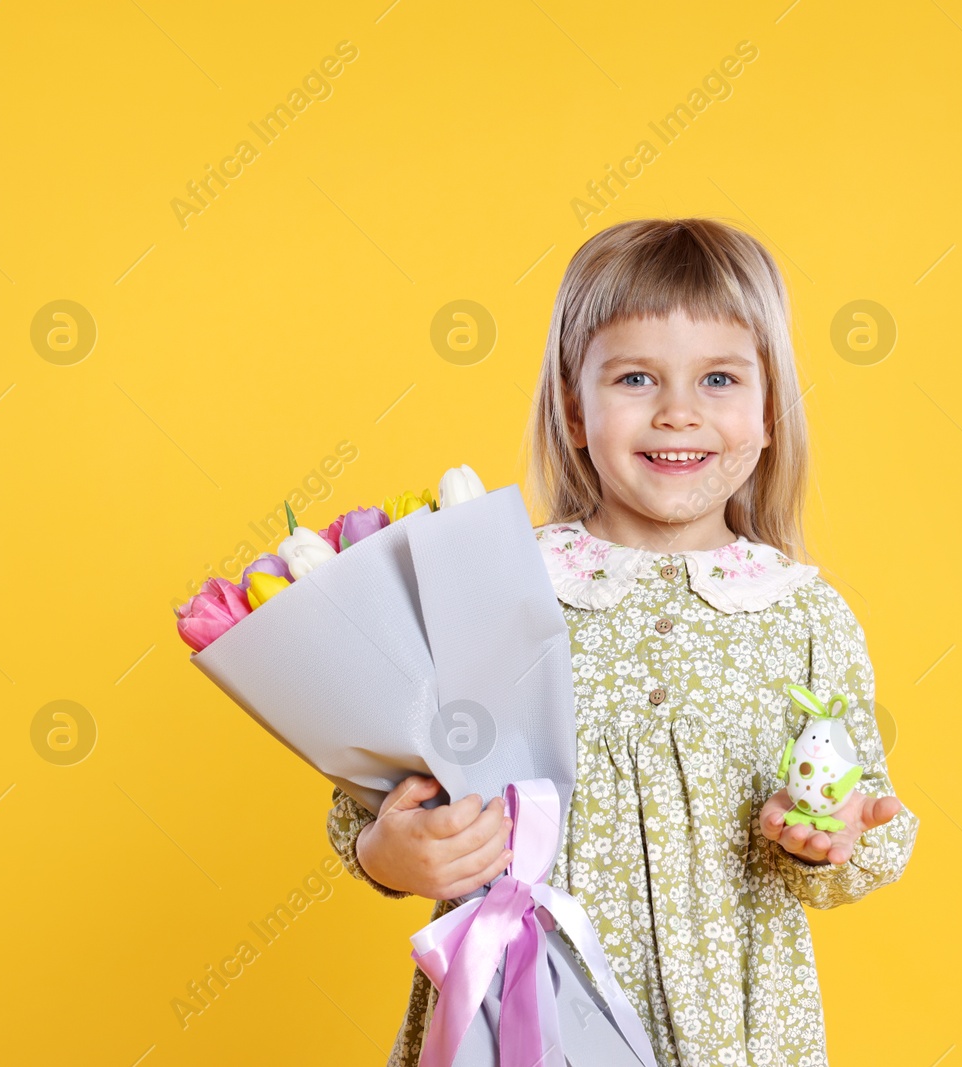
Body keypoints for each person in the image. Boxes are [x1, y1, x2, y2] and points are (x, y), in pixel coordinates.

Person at [326, 217, 918, 1066]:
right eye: (637, 377)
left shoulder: (801, 614)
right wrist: (392, 852)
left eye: (719, 377)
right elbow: (373, 805)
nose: (679, 410)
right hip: (526, 1006)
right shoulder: (501, 582)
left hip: (730, 1028)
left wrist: (835, 837)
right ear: (574, 409)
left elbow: (861, 821)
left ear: (770, 412)